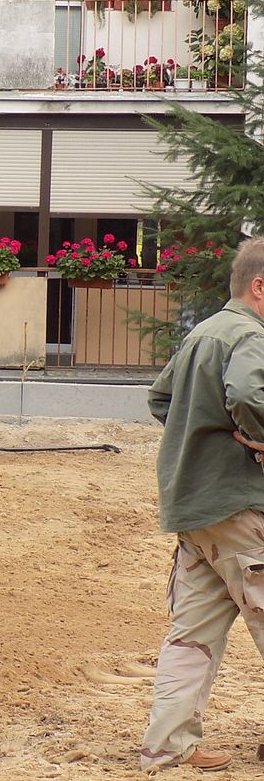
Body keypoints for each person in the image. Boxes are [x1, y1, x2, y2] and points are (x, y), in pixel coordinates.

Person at [140, 238, 264, 773]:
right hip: (239, 510)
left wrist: (204, 443)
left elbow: (160, 399)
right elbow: (249, 396)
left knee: (191, 636)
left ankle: (167, 745)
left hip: (196, 513)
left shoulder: (205, 332)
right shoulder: (251, 336)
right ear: (261, 286)